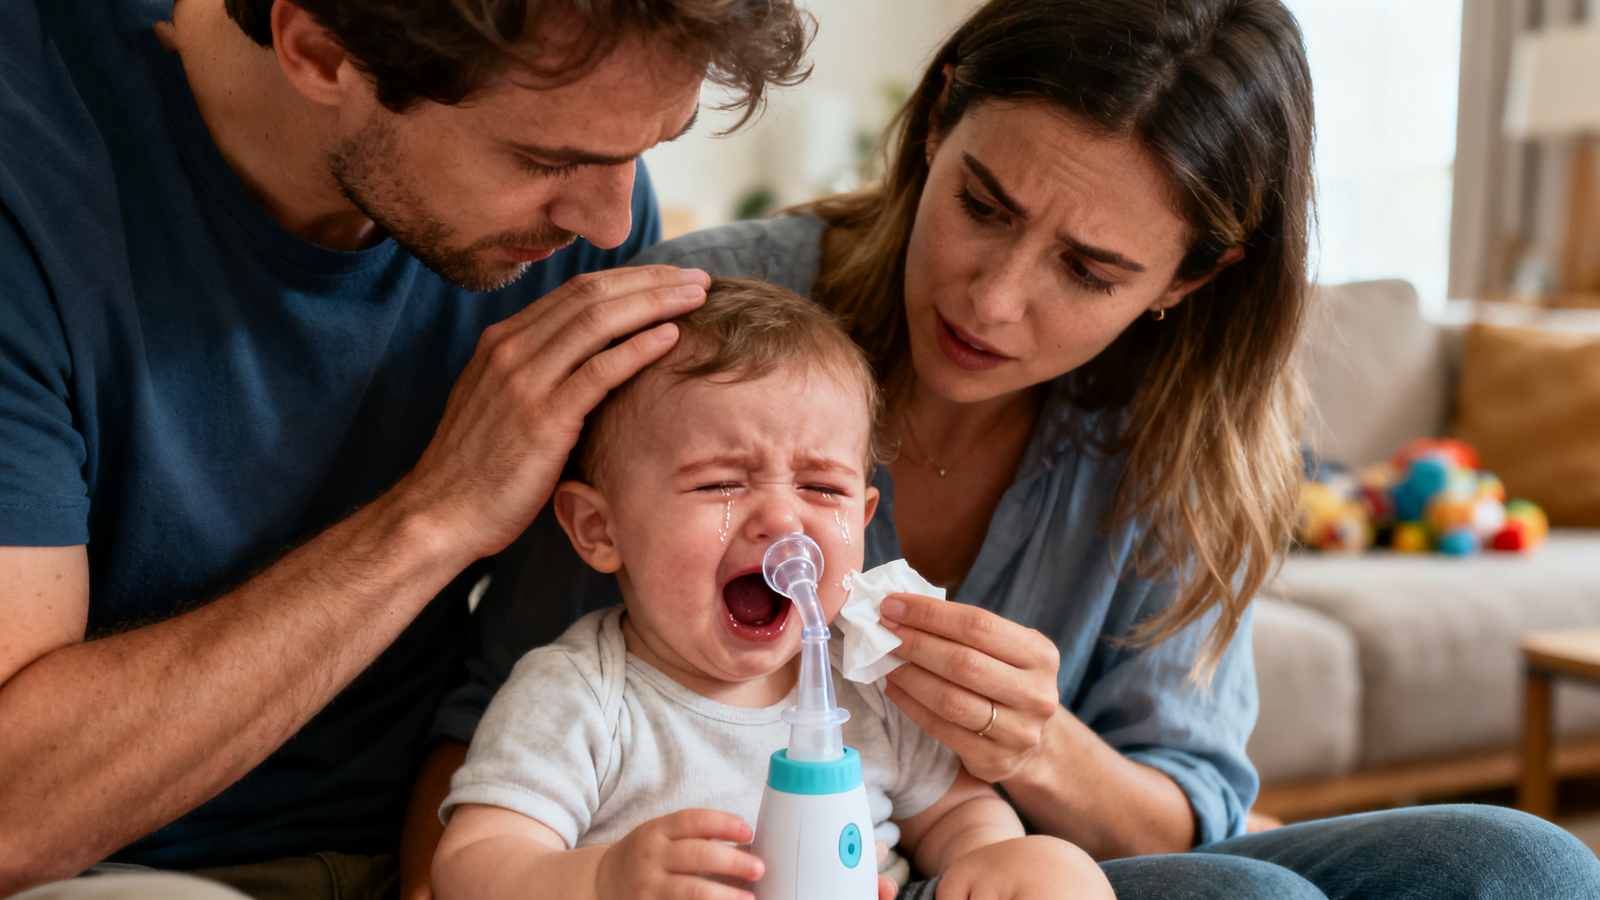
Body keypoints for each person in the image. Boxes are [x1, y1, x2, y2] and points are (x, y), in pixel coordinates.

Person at [403, 0, 1600, 897]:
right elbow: (477, 766)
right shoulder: (706, 341)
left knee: (1521, 865)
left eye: (1089, 271)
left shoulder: (1176, 433)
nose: (992, 300)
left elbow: (1185, 812)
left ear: (1188, 280)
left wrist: (1034, 770)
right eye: (983, 205)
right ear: (935, 126)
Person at [0, 0, 813, 897]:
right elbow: (14, 815)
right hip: (115, 866)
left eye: (650, 145)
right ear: (318, 48)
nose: (611, 222)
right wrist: (439, 513)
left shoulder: (566, 232)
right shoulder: (31, 191)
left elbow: (575, 664)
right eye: (546, 158)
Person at [429, 278, 1114, 900]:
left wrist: (988, 859)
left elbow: (960, 809)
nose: (785, 519)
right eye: (721, 483)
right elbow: (473, 865)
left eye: (822, 488)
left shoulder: (870, 677)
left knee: (1057, 873)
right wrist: (603, 879)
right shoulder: (579, 696)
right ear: (599, 529)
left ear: (866, 520)